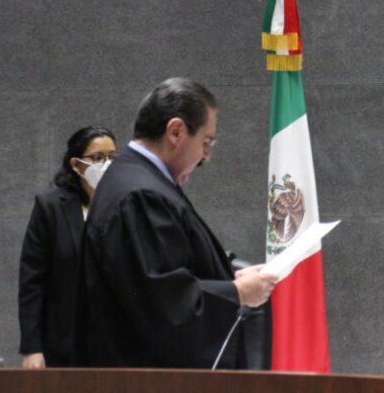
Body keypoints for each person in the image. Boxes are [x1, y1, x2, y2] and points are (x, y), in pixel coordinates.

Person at [73, 78, 277, 368]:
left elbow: (166, 270)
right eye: (206, 142)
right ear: (176, 131)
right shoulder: (140, 196)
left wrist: (228, 275)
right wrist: (239, 292)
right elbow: (166, 304)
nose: (206, 156)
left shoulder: (134, 181)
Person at [18, 126, 118, 368]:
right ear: (76, 165)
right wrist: (32, 348)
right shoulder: (51, 207)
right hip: (64, 340)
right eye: (97, 157)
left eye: (112, 157)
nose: (106, 164)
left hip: (115, 340)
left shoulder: (126, 202)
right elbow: (32, 281)